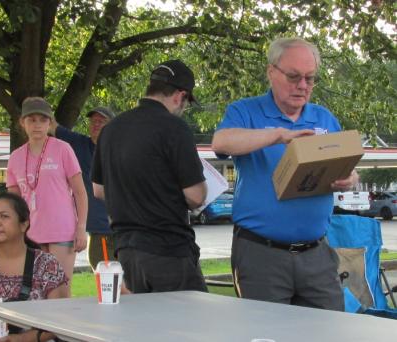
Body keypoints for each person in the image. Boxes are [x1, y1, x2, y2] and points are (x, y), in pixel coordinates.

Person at [212, 37, 359, 310]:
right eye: (293, 76)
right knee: (266, 334)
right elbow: (221, 142)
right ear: (271, 72)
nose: (302, 86)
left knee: (331, 333)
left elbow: (350, 169)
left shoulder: (325, 118)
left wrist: (350, 180)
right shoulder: (245, 111)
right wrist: (279, 135)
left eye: (310, 78)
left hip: (317, 254)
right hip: (262, 255)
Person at [91, 59, 208, 293]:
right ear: (179, 96)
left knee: (143, 327)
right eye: (185, 103)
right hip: (170, 249)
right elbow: (196, 196)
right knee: (192, 325)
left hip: (126, 249)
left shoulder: (111, 130)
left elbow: (98, 190)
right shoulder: (174, 127)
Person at [0, 192, 66, 341]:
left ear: (24, 224)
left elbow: (60, 320)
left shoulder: (47, 264)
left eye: (4, 216)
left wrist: (21, 339)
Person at [6, 97, 88, 298]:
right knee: (36, 291)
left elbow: (80, 192)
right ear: (22, 123)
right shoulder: (15, 157)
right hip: (31, 233)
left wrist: (81, 228)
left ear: (50, 123)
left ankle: (61, 330)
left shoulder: (62, 149)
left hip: (62, 231)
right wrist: (14, 233)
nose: (37, 125)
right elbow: (13, 203)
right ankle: (39, 331)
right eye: (31, 120)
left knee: (60, 291)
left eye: (43, 120)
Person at [51, 107, 116, 270]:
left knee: (126, 282)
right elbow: (51, 124)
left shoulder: (120, 151)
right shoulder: (79, 143)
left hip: (123, 229)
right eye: (93, 121)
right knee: (106, 279)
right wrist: (35, 103)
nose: (96, 124)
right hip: (100, 231)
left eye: (101, 121)